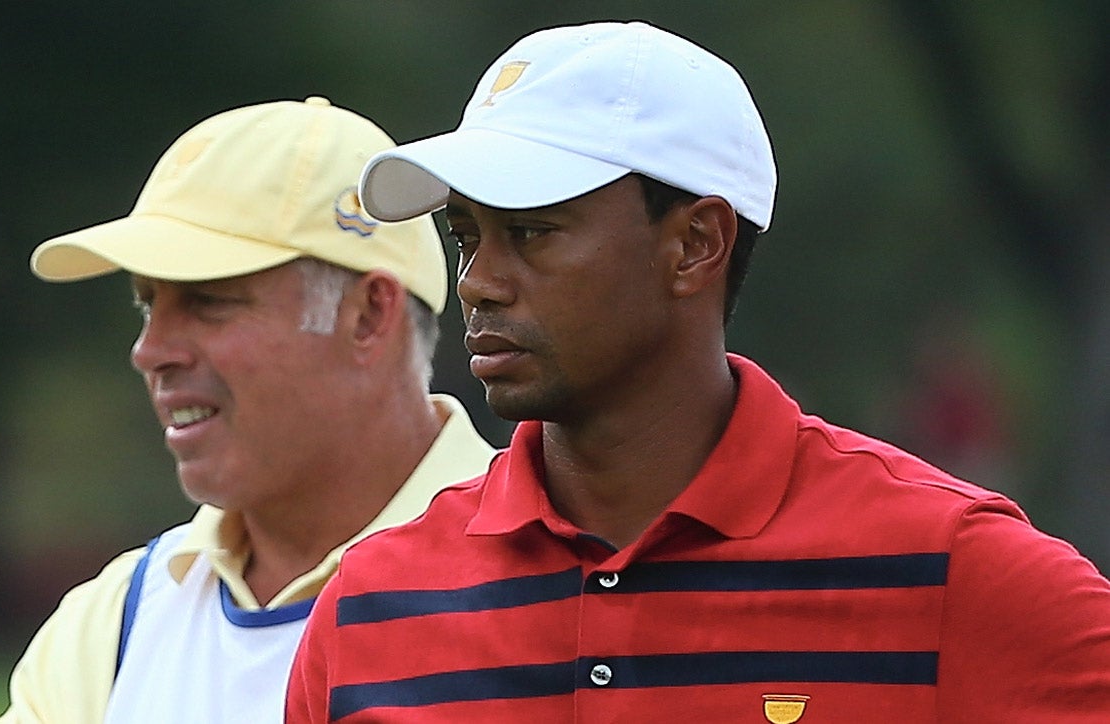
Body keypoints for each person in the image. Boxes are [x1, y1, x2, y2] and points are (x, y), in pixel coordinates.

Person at [285, 21, 1110, 723]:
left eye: (531, 233)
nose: (478, 282)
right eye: (467, 237)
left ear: (695, 244)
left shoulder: (954, 569)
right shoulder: (368, 608)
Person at [0, 97, 495, 724]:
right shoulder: (111, 623)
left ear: (368, 315)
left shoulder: (556, 575)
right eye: (148, 305)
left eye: (208, 302)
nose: (150, 351)